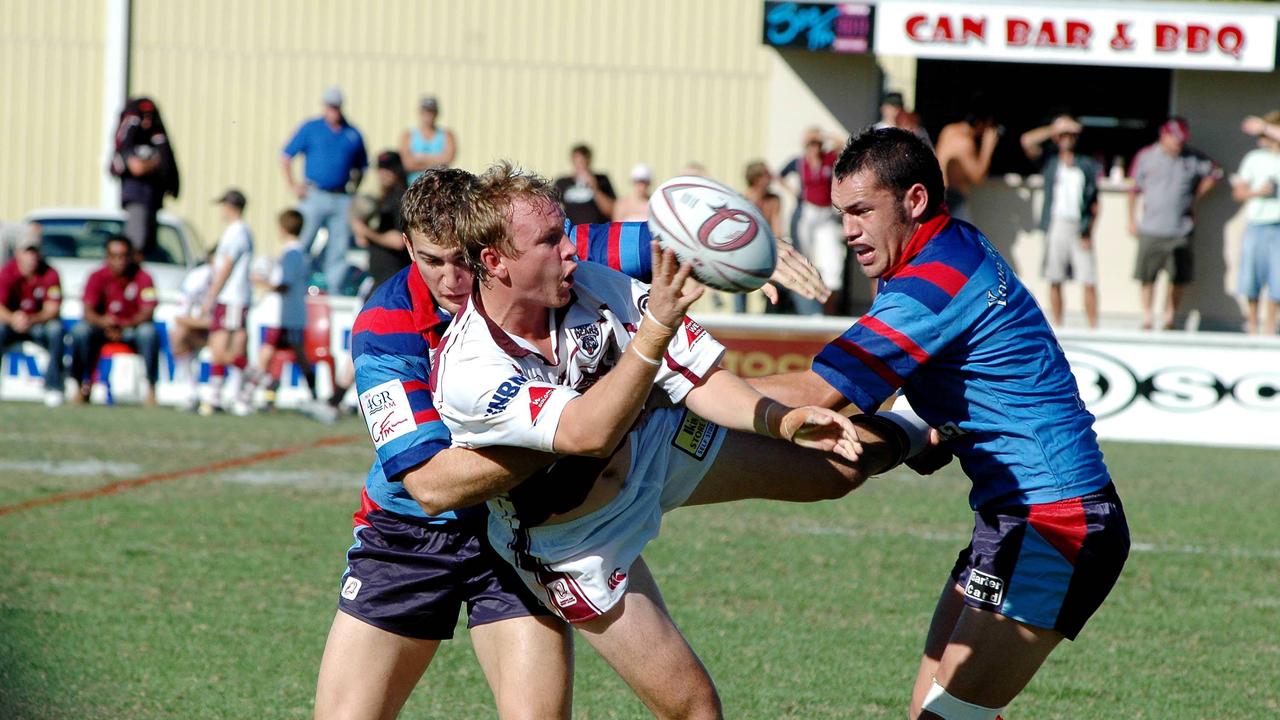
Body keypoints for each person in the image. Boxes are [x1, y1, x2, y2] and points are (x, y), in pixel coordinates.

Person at [314, 167, 847, 720]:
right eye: (432, 261)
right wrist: (586, 416)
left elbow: (657, 240)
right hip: (415, 538)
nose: (452, 279)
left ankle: (908, 416)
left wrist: (748, 249)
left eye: (462, 259)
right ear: (407, 248)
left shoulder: (542, 256)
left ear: (486, 250)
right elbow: (429, 486)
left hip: (519, 530)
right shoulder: (388, 325)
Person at [430, 162, 930, 719]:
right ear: (495, 263)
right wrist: (654, 329)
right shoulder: (469, 369)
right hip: (578, 544)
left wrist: (780, 423)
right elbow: (587, 433)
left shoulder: (592, 286)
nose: (571, 249)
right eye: (550, 241)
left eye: (565, 231)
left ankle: (918, 425)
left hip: (655, 446)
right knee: (694, 708)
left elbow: (702, 379)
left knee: (837, 470)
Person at [748, 128, 1130, 720]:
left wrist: (676, 381)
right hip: (1009, 518)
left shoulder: (934, 281)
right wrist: (933, 431)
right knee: (937, 713)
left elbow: (818, 392)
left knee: (945, 719)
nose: (848, 230)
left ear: (916, 201)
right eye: (840, 213)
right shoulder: (942, 250)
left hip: (1057, 523)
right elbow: (971, 384)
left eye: (860, 211)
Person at [1128, 117, 1221, 331]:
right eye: (1175, 139)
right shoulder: (1147, 156)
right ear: (1164, 134)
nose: (1178, 143)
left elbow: (1216, 173)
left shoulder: (1192, 158)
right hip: (1151, 228)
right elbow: (1133, 190)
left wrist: (1195, 197)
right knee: (1147, 276)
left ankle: (1169, 317)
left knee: (1178, 276)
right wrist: (1131, 220)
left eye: (1182, 140)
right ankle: (1147, 317)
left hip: (1181, 229)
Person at [281, 86, 369, 294]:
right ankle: (293, 285)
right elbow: (286, 156)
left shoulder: (351, 133)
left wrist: (353, 190)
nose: (333, 111)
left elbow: (362, 166)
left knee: (338, 247)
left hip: (341, 197)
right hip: (315, 194)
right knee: (303, 240)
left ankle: (334, 290)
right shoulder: (311, 128)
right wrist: (293, 185)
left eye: (336, 107)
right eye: (330, 107)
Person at [241, 209, 327, 417]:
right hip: (292, 314)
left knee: (267, 353)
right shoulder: (298, 252)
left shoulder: (291, 253)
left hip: (284, 315)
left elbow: (284, 285)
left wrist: (260, 281)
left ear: (282, 228)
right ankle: (306, 396)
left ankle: (246, 396)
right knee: (295, 356)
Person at [1020, 114, 1102, 328]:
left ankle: (1093, 327)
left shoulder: (1086, 164)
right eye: (1063, 134)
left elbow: (1094, 203)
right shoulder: (1050, 161)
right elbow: (1027, 141)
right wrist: (1053, 129)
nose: (1067, 138)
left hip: (1079, 226)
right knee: (1055, 277)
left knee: (1088, 278)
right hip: (1055, 224)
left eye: (1071, 134)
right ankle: (1058, 325)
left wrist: (1089, 232)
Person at [70, 234, 160, 405]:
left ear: (130, 256)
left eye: (124, 256)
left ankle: (151, 388)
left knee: (149, 333)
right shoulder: (96, 276)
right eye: (114, 256)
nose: (120, 261)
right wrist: (104, 321)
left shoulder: (143, 276)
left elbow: (148, 310)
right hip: (102, 327)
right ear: (107, 257)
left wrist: (126, 324)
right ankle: (82, 385)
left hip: (131, 328)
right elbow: (87, 310)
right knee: (80, 331)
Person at [200, 189, 254, 416]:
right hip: (229, 297)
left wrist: (211, 295)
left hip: (232, 298)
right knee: (218, 349)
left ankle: (259, 379)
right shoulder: (238, 231)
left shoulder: (237, 232)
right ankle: (215, 396)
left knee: (224, 351)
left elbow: (227, 266)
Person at [779, 127, 845, 314]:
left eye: (817, 144)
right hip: (808, 213)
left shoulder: (829, 158)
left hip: (826, 215)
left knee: (832, 263)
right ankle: (808, 308)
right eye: (811, 144)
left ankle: (829, 310)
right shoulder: (800, 162)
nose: (814, 148)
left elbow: (843, 143)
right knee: (807, 258)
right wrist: (793, 192)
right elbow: (779, 175)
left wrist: (823, 134)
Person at [0, 224, 65, 407]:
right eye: (28, 252)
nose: (32, 257)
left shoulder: (50, 273)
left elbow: (52, 309)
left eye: (35, 252)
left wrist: (31, 319)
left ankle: (54, 387)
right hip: (12, 323)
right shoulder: (7, 272)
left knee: (56, 330)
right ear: (18, 253)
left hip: (38, 323)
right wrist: (13, 318)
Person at [109, 97, 180, 257]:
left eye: (150, 117)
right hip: (136, 198)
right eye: (143, 117)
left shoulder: (157, 138)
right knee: (137, 242)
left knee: (149, 244)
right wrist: (152, 163)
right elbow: (134, 167)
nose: (147, 122)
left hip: (152, 200)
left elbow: (166, 162)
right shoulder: (129, 138)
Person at [1232, 110, 1280, 335]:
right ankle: (1252, 324)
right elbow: (1239, 192)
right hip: (1257, 225)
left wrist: (1264, 126)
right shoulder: (1254, 158)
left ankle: (1270, 325)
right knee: (1251, 277)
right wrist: (1258, 192)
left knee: (1277, 279)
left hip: (1278, 226)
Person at [352, 150, 411, 291]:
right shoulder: (384, 198)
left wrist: (365, 231)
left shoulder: (401, 199)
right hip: (380, 276)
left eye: (388, 169)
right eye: (380, 169)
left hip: (394, 276)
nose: (383, 174)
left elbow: (399, 241)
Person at [934, 95, 999, 223]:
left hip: (940, 196)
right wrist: (987, 148)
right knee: (963, 240)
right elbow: (978, 178)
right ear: (980, 123)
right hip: (953, 199)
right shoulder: (965, 142)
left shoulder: (948, 130)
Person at [168, 251, 214, 411]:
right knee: (178, 334)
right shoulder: (198, 278)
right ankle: (189, 391)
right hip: (205, 328)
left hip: (226, 330)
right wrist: (207, 323)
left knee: (232, 342)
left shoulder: (235, 280)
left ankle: (231, 395)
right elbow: (180, 316)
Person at [399, 95, 457, 185]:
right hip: (413, 185)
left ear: (436, 113)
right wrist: (436, 161)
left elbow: (447, 160)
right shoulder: (408, 135)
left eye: (431, 112)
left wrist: (419, 159)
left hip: (439, 185)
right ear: (420, 113)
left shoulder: (447, 135)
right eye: (425, 112)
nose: (428, 116)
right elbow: (407, 164)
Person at [554, 144, 615, 225]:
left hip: (596, 230)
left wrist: (595, 188)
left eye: (583, 162)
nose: (581, 165)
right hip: (572, 231)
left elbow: (611, 210)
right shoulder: (562, 183)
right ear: (572, 161)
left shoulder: (601, 180)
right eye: (578, 162)